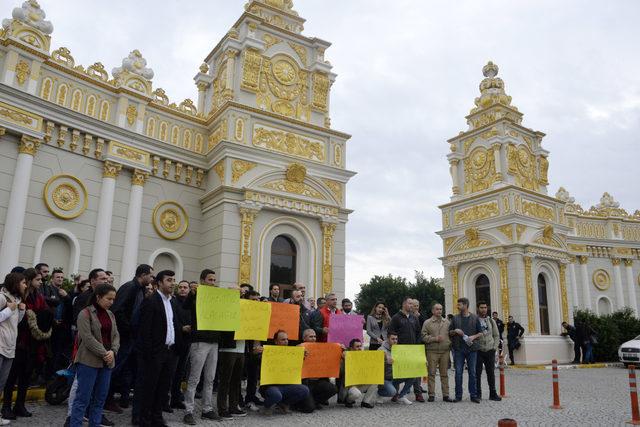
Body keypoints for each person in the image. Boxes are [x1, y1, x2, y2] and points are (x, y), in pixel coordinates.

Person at [2, 268, 51, 419]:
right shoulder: (16, 297)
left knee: (26, 375)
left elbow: (45, 311)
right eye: (37, 279)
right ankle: (6, 406)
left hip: (33, 342)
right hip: (18, 341)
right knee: (11, 376)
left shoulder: (38, 296)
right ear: (29, 280)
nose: (40, 281)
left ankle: (20, 405)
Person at [108, 264, 154, 414]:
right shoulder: (130, 288)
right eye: (151, 276)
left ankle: (123, 397)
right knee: (115, 369)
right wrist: (129, 329)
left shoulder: (141, 290)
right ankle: (107, 400)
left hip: (132, 337)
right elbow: (118, 310)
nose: (152, 279)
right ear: (143, 275)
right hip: (124, 337)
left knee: (127, 369)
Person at [70, 284, 119, 427]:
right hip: (88, 361)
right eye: (108, 299)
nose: (111, 302)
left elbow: (116, 335)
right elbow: (87, 337)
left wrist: (113, 351)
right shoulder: (85, 313)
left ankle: (95, 424)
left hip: (107, 362)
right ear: (98, 297)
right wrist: (105, 352)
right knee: (82, 398)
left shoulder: (111, 314)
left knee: (100, 399)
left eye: (113, 299)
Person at [137, 270, 181, 427]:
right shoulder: (151, 301)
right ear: (159, 283)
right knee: (150, 388)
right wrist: (150, 353)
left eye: (173, 280)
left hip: (169, 352)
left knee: (163, 388)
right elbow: (144, 330)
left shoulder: (172, 302)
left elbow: (173, 326)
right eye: (169, 280)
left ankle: (157, 418)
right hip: (155, 353)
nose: (172, 283)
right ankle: (144, 420)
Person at [182, 269, 222, 425]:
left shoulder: (218, 297)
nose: (213, 282)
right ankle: (188, 411)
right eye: (210, 280)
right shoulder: (196, 295)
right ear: (202, 280)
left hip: (214, 342)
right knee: (194, 378)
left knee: (210, 378)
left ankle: (207, 409)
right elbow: (186, 306)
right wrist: (193, 293)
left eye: (214, 280)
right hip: (199, 341)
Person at [259, 330, 310, 415]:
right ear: (276, 341)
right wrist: (257, 353)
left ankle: (283, 404)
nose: (286, 341)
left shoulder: (292, 353)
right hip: (271, 386)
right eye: (283, 339)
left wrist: (302, 356)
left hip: (287, 385)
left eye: (287, 339)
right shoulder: (267, 352)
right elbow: (254, 362)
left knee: (304, 390)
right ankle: (267, 406)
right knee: (276, 395)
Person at [0, 273, 27, 426]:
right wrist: (9, 310)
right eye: (23, 283)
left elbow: (14, 323)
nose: (25, 286)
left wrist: (20, 311)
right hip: (0, 345)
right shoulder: (2, 297)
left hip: (10, 347)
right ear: (15, 283)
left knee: (1, 384)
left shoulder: (16, 300)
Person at [389, 297, 424, 403]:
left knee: (416, 371)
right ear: (404, 304)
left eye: (413, 304)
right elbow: (391, 332)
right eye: (410, 303)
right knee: (398, 372)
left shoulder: (414, 318)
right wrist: (395, 346)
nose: (412, 306)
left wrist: (417, 346)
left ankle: (418, 394)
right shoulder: (396, 317)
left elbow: (419, 332)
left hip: (413, 349)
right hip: (400, 349)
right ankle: (395, 394)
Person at [449, 297, 482, 403]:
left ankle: (473, 395)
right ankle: (458, 396)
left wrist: (473, 337)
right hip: (458, 349)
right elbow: (449, 333)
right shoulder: (455, 318)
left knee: (472, 372)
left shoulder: (475, 318)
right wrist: (455, 331)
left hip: (472, 349)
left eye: (459, 305)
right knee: (458, 372)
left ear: (466, 305)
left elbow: (481, 333)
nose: (457, 306)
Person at [421, 303, 453, 402]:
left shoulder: (447, 322)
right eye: (437, 309)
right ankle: (431, 394)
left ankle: (446, 395)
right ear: (433, 311)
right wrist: (434, 339)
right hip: (432, 351)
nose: (439, 311)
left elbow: (451, 335)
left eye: (441, 309)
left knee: (444, 374)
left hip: (445, 351)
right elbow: (423, 336)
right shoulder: (427, 322)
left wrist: (449, 343)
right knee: (431, 373)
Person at [299, 329, 337, 410]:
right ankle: (299, 404)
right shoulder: (299, 348)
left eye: (315, 337)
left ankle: (314, 401)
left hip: (318, 382)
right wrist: (299, 353)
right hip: (305, 383)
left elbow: (331, 357)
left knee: (333, 388)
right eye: (311, 337)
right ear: (304, 339)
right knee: (309, 409)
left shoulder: (320, 349)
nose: (313, 339)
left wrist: (340, 349)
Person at [170, 281, 192, 409]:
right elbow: (171, 320)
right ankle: (165, 399)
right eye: (181, 287)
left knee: (180, 372)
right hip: (174, 341)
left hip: (187, 341)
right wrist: (181, 328)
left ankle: (176, 398)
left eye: (185, 287)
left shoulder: (191, 304)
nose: (183, 289)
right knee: (171, 372)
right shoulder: (172, 302)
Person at [45, 269, 71, 379]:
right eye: (57, 277)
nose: (60, 279)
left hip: (60, 327)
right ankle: (44, 375)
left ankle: (51, 376)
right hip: (48, 326)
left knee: (56, 353)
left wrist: (66, 297)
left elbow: (70, 307)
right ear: (52, 279)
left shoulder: (63, 292)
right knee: (47, 353)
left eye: (61, 277)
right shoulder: (48, 289)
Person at [339, 338, 379, 408]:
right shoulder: (345, 357)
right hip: (349, 386)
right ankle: (348, 401)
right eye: (357, 347)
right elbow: (341, 372)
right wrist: (344, 359)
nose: (360, 348)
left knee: (376, 380)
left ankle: (365, 402)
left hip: (360, 383)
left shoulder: (364, 357)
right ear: (351, 348)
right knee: (356, 394)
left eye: (360, 346)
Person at [475, 301, 501, 401]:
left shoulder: (491, 321)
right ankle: (478, 394)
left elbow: (496, 335)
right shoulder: (474, 320)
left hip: (490, 350)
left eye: (485, 307)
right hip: (478, 350)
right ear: (478, 308)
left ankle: (493, 393)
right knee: (477, 373)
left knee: (491, 373)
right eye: (481, 307)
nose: (484, 309)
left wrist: (494, 347)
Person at [378, 331, 399, 403]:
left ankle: (401, 396)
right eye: (393, 339)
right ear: (387, 339)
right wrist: (386, 362)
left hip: (396, 376)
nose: (395, 341)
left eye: (396, 339)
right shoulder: (381, 350)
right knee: (392, 392)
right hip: (385, 378)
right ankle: (378, 392)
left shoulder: (399, 350)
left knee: (413, 377)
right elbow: (375, 365)